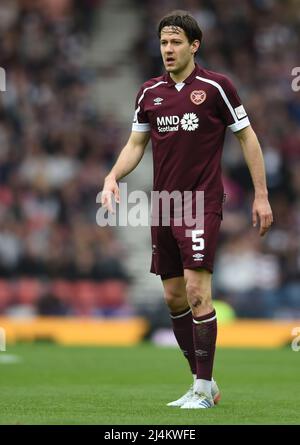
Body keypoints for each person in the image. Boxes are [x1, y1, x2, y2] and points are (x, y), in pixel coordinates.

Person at [101, 10, 273, 409]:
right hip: (164, 204)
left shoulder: (217, 87)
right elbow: (135, 145)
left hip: (201, 201)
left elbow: (247, 138)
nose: (168, 49)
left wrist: (261, 195)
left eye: (176, 42)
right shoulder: (149, 93)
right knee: (175, 298)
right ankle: (201, 381)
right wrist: (113, 176)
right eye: (164, 42)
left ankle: (203, 390)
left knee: (198, 292)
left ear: (194, 46)